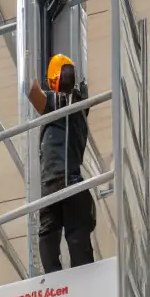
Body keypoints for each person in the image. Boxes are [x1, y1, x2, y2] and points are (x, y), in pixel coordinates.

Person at [26, 54, 96, 275]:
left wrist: (28, 56)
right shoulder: (81, 108)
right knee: (78, 235)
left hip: (55, 183)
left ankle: (55, 286)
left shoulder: (56, 102)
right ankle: (84, 285)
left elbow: (30, 91)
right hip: (74, 183)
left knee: (48, 233)